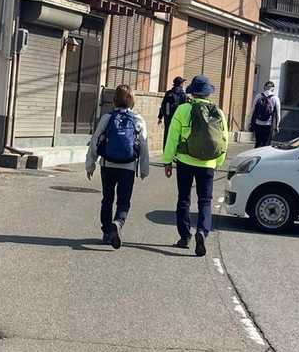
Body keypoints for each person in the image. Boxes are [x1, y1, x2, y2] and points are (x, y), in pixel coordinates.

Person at [162, 73, 230, 256]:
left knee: (184, 199)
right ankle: (202, 231)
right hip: (208, 163)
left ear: (192, 92)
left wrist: (167, 161)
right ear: (208, 93)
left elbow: (172, 137)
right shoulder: (218, 113)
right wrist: (218, 161)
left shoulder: (183, 109)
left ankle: (185, 237)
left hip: (185, 161)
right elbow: (224, 140)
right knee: (205, 201)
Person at [86, 84, 150, 249]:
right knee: (124, 201)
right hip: (128, 167)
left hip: (107, 165)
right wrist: (144, 169)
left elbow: (95, 140)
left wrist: (90, 164)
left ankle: (107, 232)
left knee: (107, 199)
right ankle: (118, 222)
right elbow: (143, 145)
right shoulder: (138, 119)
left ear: (114, 100)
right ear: (132, 101)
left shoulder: (107, 118)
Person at [248, 80, 281, 148]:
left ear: (264, 87)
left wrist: (250, 122)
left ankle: (256, 153)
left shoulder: (258, 96)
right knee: (266, 144)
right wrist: (277, 126)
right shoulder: (275, 98)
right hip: (268, 124)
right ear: (273, 88)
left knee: (258, 142)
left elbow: (252, 110)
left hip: (258, 123)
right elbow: (278, 114)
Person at [158, 77, 188, 142]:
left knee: (167, 135)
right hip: (178, 120)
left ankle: (166, 148)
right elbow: (185, 109)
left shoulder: (168, 93)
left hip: (168, 119)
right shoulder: (183, 95)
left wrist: (160, 117)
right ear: (181, 84)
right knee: (177, 137)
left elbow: (163, 105)